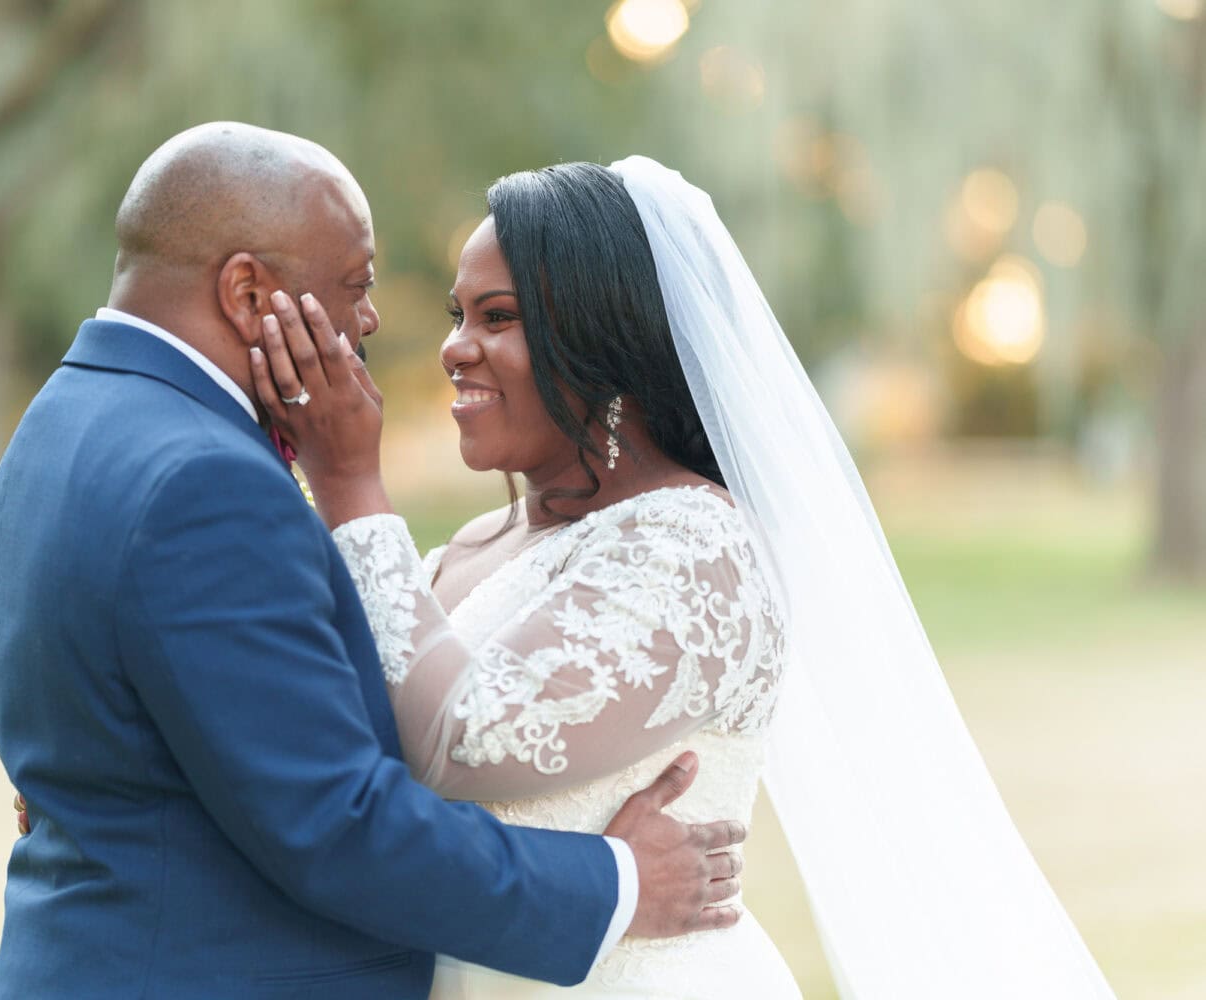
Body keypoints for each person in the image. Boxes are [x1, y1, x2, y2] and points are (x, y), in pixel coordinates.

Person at [254, 158, 1120, 998]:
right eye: (458, 315)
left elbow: (466, 740)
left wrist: (351, 486)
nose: (454, 349)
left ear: (603, 345)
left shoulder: (694, 547)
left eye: (500, 318)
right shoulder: (474, 545)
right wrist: (612, 875)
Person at [0, 124, 750, 1000]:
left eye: (496, 317)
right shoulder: (204, 480)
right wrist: (619, 883)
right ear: (247, 292)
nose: (375, 323)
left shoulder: (62, 422)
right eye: (355, 286)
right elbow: (335, 822)